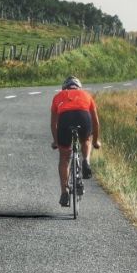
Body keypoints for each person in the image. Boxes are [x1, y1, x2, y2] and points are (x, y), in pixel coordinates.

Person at [50, 76, 101, 207]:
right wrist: (95, 141)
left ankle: (64, 193)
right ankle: (86, 161)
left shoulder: (58, 96)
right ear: (79, 87)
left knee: (64, 158)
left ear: (64, 88)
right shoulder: (86, 95)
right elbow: (96, 122)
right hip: (83, 118)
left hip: (65, 120)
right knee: (86, 140)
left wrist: (56, 142)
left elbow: (53, 124)